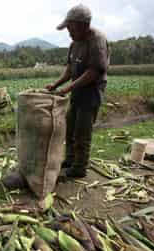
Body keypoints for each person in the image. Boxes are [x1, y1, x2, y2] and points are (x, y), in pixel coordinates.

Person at [45, 4, 109, 178]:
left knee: (82, 131)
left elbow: (93, 72)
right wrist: (56, 85)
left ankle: (79, 168)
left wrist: (68, 88)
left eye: (70, 27)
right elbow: (69, 70)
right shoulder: (74, 43)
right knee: (70, 127)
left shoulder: (97, 40)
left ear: (83, 25)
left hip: (91, 93)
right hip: (77, 91)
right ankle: (71, 160)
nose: (68, 32)